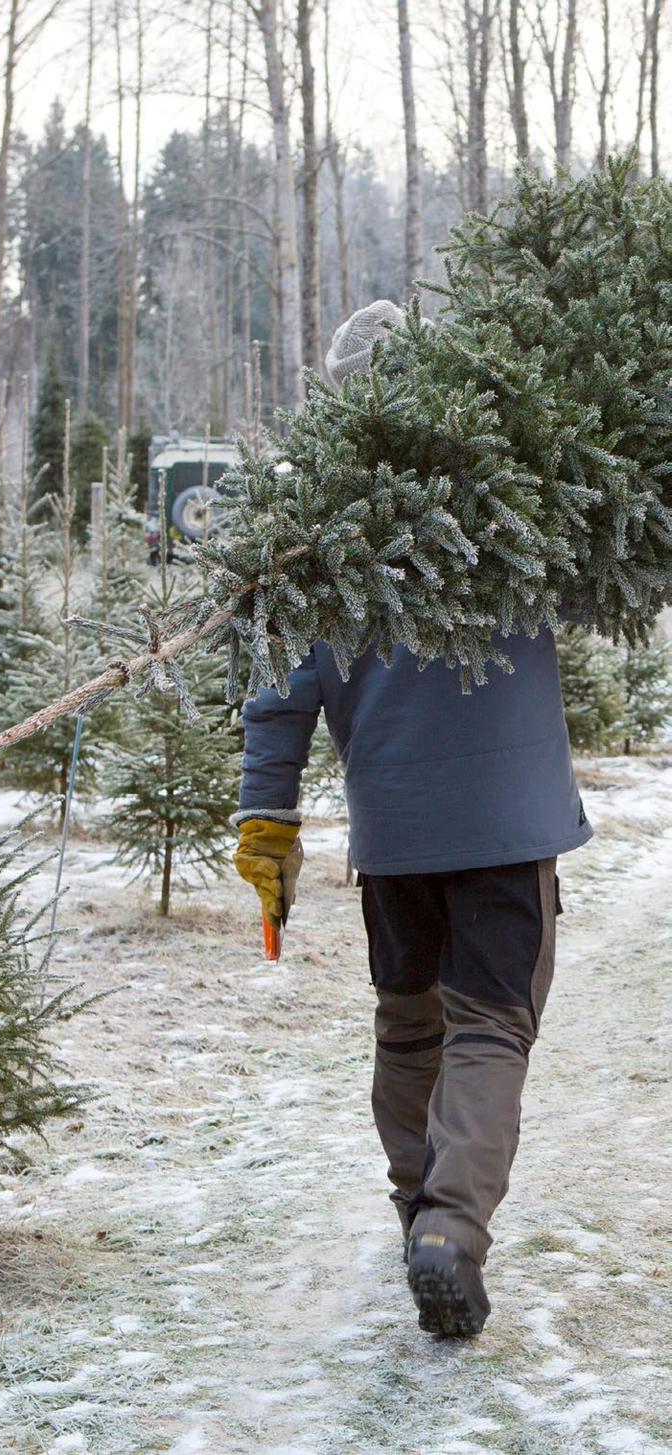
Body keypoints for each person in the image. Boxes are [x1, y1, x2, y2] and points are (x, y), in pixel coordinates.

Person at [232, 300, 591, 1338]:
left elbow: (276, 689)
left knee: (407, 1026)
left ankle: (413, 1217)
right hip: (508, 825)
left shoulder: (315, 529)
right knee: (489, 1028)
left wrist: (268, 817)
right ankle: (448, 1232)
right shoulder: (517, 489)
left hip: (393, 833)